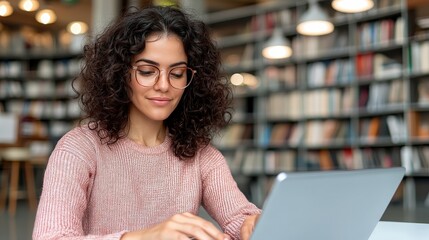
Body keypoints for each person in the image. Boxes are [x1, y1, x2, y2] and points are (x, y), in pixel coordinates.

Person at [33, 5, 261, 240]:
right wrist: (144, 237)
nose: (164, 85)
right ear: (120, 74)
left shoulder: (201, 154)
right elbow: (51, 237)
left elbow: (239, 218)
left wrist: (253, 225)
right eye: (146, 71)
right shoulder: (78, 149)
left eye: (177, 73)